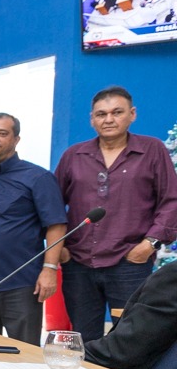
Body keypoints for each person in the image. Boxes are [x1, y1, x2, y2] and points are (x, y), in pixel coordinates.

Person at [54, 85, 177, 342]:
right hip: (78, 263)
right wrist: (60, 248)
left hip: (129, 261)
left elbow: (171, 200)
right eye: (101, 114)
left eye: (116, 112)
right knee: (81, 338)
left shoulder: (152, 150)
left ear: (132, 114)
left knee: (130, 338)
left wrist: (149, 244)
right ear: (92, 119)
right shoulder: (74, 155)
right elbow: (52, 205)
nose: (108, 119)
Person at [0, 113, 67, 344]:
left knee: (25, 356)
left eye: (2, 133)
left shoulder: (38, 177)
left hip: (19, 284)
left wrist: (49, 270)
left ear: (16, 139)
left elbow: (56, 225)